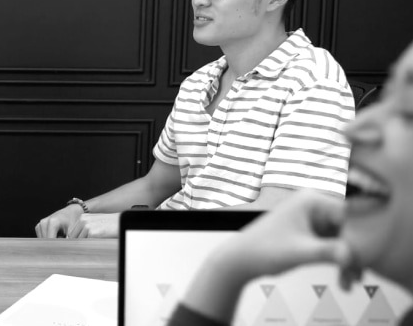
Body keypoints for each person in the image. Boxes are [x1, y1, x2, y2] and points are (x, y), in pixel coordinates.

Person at [37, 0, 354, 239]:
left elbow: (287, 217)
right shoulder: (199, 83)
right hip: (168, 254)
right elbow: (155, 185)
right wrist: (82, 209)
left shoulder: (313, 81)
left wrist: (131, 225)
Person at [170, 40, 413, 325]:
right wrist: (226, 267)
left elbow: (276, 207)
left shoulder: (314, 76)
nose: (355, 128)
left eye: (408, 113)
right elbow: (155, 184)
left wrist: (221, 266)